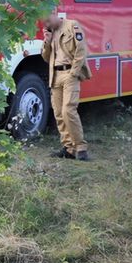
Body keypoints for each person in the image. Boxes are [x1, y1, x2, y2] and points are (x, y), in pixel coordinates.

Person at [41, 12, 92, 161]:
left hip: (70, 73)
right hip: (55, 75)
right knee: (58, 113)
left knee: (68, 110)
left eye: (47, 21)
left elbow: (81, 50)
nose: (46, 25)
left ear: (53, 13)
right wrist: (47, 42)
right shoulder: (51, 33)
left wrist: (74, 73)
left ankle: (81, 148)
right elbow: (45, 57)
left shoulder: (72, 25)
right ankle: (68, 148)